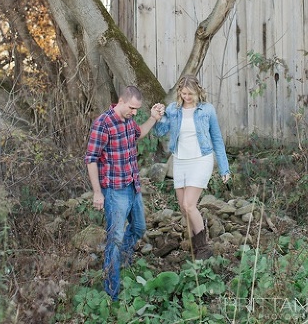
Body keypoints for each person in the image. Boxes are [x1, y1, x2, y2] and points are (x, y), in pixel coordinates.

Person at [85, 86, 163, 301]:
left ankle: (120, 261)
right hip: (114, 191)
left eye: (137, 109)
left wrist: (153, 118)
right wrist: (97, 193)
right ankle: (112, 293)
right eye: (132, 108)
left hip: (132, 185)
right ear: (121, 101)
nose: (134, 112)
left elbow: (138, 133)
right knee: (115, 239)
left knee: (139, 228)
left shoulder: (129, 120)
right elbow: (91, 159)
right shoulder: (103, 123)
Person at [153, 74, 231, 260]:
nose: (187, 97)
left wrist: (224, 168)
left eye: (190, 94)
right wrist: (158, 117)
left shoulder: (207, 110)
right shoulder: (173, 109)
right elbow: (160, 132)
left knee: (189, 204)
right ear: (179, 92)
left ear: (197, 92)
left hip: (201, 159)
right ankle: (197, 245)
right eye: (184, 93)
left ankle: (204, 248)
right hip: (180, 160)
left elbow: (217, 139)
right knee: (183, 207)